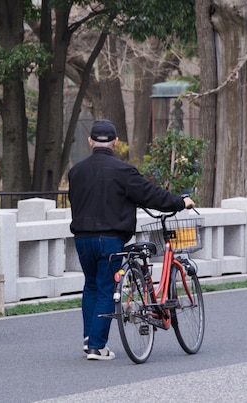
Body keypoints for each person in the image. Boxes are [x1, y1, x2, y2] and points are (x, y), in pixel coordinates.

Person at [68, 119, 195, 361]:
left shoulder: (76, 172)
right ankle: (97, 347)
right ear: (115, 142)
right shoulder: (123, 171)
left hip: (82, 239)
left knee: (91, 286)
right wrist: (180, 201)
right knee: (107, 288)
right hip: (110, 239)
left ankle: (89, 338)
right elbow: (151, 195)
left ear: (89, 142)